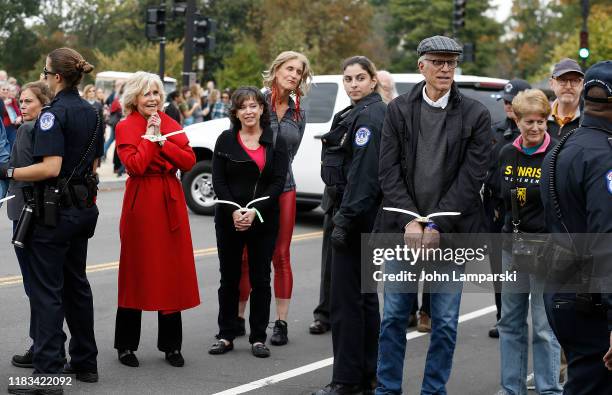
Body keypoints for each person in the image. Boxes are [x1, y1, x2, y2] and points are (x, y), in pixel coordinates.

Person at [375, 36, 491, 395]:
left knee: (443, 323)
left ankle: (433, 390)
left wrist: (437, 223)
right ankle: (387, 389)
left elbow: (472, 178)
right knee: (393, 317)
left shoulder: (476, 114)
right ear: (421, 66)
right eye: (438, 62)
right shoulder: (398, 110)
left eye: (451, 62)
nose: (445, 69)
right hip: (402, 231)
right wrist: (411, 220)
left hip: (450, 232)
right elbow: (388, 171)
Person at [1, 48, 103, 394]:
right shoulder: (92, 111)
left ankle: (47, 375)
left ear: (57, 77)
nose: (44, 78)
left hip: (54, 211)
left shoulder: (52, 115)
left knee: (47, 292)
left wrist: (9, 170)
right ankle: (86, 362)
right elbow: (92, 166)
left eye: (46, 74)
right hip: (82, 208)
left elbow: (50, 167)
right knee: (76, 284)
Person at [113, 72, 200, 368]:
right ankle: (126, 345)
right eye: (147, 93)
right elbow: (136, 166)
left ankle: (171, 346)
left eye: (156, 93)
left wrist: (163, 142)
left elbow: (188, 161)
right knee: (136, 270)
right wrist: (150, 138)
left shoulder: (172, 123)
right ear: (134, 97)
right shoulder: (126, 126)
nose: (153, 99)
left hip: (170, 199)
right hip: (142, 201)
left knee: (170, 271)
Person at [313, 56, 385, 395]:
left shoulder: (369, 117)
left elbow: (364, 177)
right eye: (348, 79)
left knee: (345, 304)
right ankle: (367, 375)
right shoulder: (358, 112)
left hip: (355, 218)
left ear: (372, 81)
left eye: (359, 78)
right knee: (364, 300)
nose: (353, 84)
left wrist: (344, 219)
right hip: (361, 217)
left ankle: (345, 380)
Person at [541, 60, 612, 394]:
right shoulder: (604, 155)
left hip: (562, 287)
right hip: (590, 298)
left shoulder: (562, 146)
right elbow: (605, 239)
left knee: (583, 381)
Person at [238, 51, 312, 346]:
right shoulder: (255, 102)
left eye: (300, 73)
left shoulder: (299, 113)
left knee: (281, 256)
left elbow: (290, 154)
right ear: (277, 69)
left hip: (285, 188)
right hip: (254, 189)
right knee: (246, 257)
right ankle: (238, 319)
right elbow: (240, 141)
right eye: (290, 69)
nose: (294, 75)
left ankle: (280, 323)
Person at [209, 87, 289, 358]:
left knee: (260, 278)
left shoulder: (276, 141)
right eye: (243, 107)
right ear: (235, 112)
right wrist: (234, 210)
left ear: (262, 110)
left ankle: (258, 337)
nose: (249, 111)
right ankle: (226, 334)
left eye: (254, 105)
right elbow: (218, 180)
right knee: (229, 278)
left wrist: (255, 211)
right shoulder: (225, 140)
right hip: (229, 218)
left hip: (263, 218)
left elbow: (278, 183)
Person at [495, 89, 562, 395]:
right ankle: (512, 388)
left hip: (546, 248)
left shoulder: (557, 154)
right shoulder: (507, 153)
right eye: (528, 122)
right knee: (510, 322)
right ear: (517, 120)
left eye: (540, 121)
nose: (535, 128)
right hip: (512, 246)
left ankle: (549, 389)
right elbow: (498, 196)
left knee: (544, 326)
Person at [6, 82, 55, 369]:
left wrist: (6, 170)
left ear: (42, 102)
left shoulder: (28, 129)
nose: (22, 106)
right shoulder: (51, 127)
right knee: (44, 285)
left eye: (28, 101)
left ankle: (40, 346)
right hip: (46, 211)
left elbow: (19, 172)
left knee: (34, 286)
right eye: (20, 101)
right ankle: (44, 344)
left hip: (25, 211)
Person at [483, 78, 531, 338]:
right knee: (499, 267)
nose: (509, 106)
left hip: (527, 210)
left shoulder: (538, 132)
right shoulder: (494, 132)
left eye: (513, 101)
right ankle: (503, 317)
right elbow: (485, 170)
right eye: (506, 101)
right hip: (498, 209)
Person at [547, 58, 584, 139]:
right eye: (562, 80)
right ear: (552, 83)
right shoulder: (541, 116)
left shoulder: (590, 119)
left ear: (581, 84)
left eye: (574, 80)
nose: (568, 86)